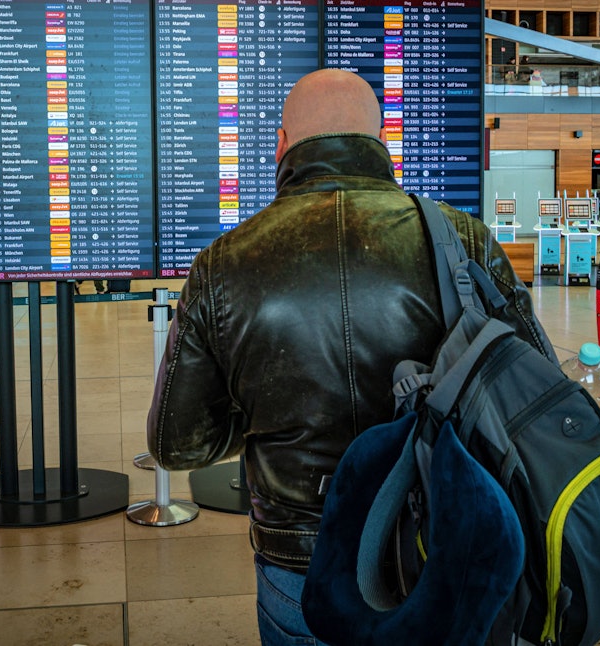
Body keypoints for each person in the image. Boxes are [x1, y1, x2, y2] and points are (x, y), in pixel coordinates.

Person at [146, 68, 554, 645]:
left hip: (301, 559)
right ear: (381, 139)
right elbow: (536, 386)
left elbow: (175, 442)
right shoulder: (462, 239)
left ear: (283, 146)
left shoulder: (221, 265)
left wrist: (263, 414)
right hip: (444, 539)